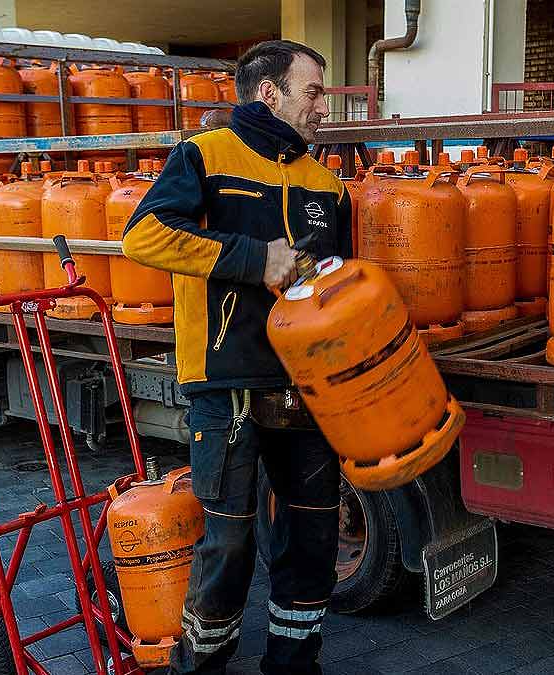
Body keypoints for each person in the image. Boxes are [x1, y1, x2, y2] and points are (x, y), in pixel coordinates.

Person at [122, 39, 350, 675]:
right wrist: (255, 260)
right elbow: (143, 235)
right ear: (269, 93)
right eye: (313, 91)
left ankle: (294, 662)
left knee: (311, 537)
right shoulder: (204, 156)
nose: (322, 106)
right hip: (227, 381)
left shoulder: (324, 184)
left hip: (307, 385)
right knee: (228, 539)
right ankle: (205, 663)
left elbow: (340, 286)